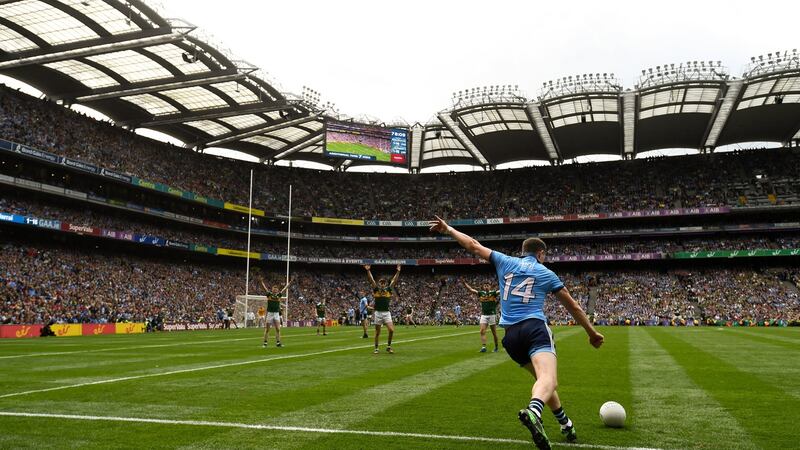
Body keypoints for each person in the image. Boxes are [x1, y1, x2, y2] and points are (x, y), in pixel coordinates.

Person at [430, 216, 604, 449]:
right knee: (548, 379)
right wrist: (592, 333)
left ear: (523, 251)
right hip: (534, 328)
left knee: (543, 381)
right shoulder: (546, 273)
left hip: (511, 337)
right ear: (540, 253)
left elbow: (472, 245)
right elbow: (573, 306)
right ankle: (534, 412)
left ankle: (565, 424)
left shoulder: (505, 261)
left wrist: (449, 229)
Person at [364, 264, 401, 354]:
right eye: (381, 282)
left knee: (391, 330)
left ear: (386, 284)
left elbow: (394, 280)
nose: (383, 284)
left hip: (386, 313)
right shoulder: (376, 289)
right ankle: (376, 348)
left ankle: (388, 346)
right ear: (379, 283)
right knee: (377, 332)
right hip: (378, 313)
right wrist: (368, 270)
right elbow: (371, 280)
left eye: (384, 282)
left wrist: (398, 271)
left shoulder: (389, 290)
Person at [463, 279, 500, 353]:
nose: (486, 287)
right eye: (485, 285)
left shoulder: (493, 293)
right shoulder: (481, 293)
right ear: (483, 287)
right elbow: (471, 290)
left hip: (492, 314)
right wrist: (464, 283)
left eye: (487, 285)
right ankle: (484, 347)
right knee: (482, 331)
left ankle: (496, 347)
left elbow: (501, 290)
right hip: (484, 315)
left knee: (494, 333)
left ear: (490, 287)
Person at [261, 277, 291, 348]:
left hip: (276, 313)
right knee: (267, 329)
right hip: (270, 313)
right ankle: (265, 343)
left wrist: (290, 282)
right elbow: (264, 288)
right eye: (274, 289)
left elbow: (285, 288)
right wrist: (261, 282)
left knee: (278, 329)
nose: (275, 290)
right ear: (272, 289)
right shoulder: (269, 294)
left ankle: (278, 343)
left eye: (276, 289)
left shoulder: (279, 295)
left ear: (277, 290)